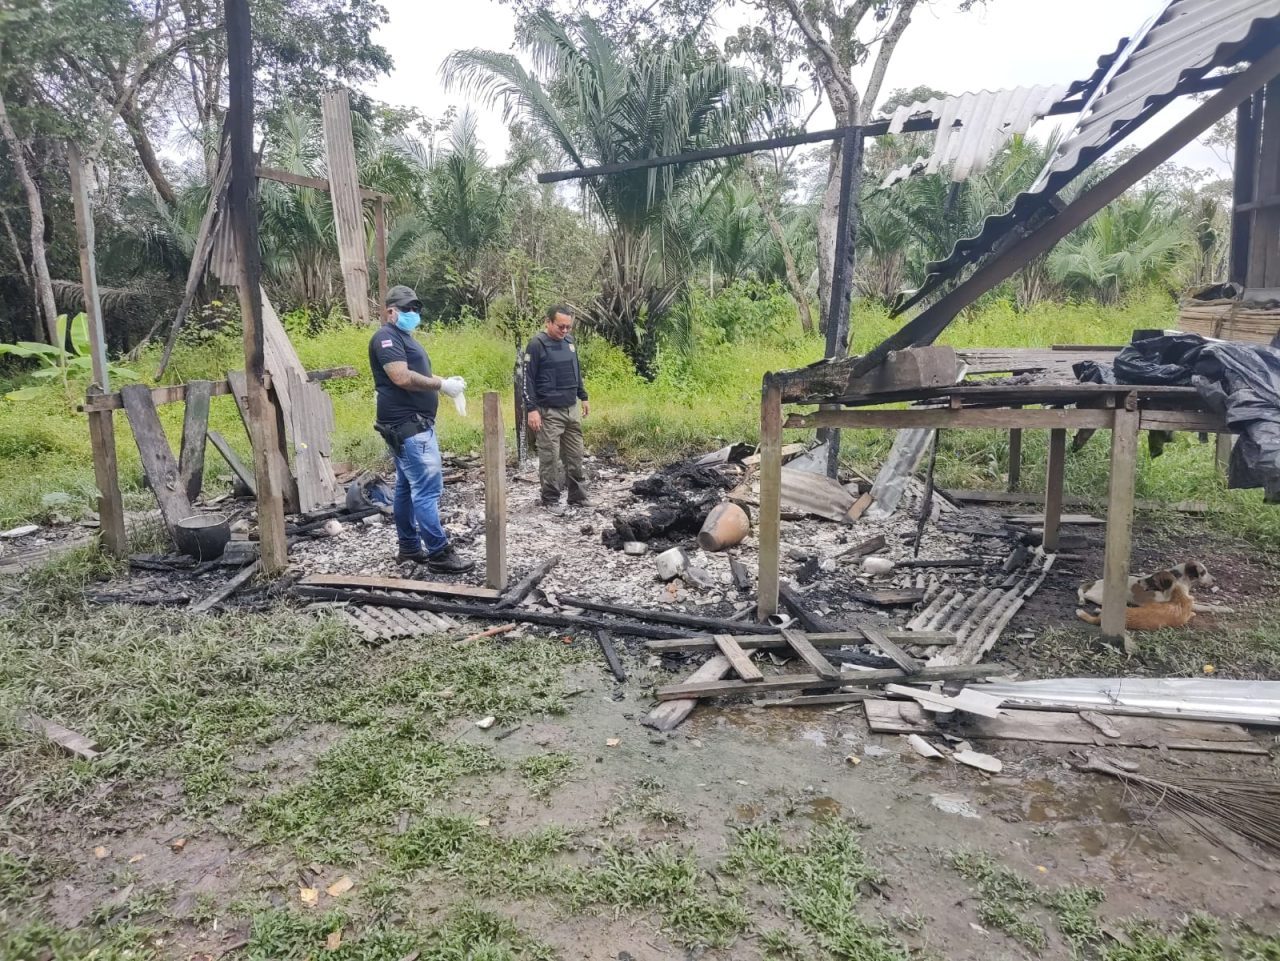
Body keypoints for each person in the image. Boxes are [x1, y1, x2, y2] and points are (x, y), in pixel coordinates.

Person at [368, 285, 474, 573]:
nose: (413, 313)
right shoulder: (386, 337)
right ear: (391, 311)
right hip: (410, 427)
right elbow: (401, 377)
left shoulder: (403, 338)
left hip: (408, 426)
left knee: (405, 488)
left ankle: (410, 548)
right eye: (407, 309)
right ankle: (439, 553)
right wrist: (440, 385)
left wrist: (446, 383)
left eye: (416, 309)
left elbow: (419, 374)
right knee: (427, 490)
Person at [524, 304, 590, 509]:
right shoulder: (536, 345)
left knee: (575, 455)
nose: (565, 331)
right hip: (548, 411)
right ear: (548, 322)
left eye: (568, 327)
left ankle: (577, 497)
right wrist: (531, 409)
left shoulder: (570, 342)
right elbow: (527, 379)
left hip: (571, 408)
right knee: (550, 458)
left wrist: (583, 396)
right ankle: (550, 499)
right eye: (561, 326)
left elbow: (575, 370)